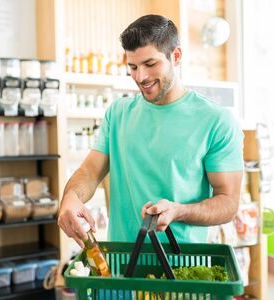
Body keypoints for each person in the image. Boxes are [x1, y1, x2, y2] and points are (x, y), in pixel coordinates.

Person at [58, 14, 244, 248]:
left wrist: (179, 211)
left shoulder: (216, 120)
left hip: (182, 266)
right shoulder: (118, 113)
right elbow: (90, 171)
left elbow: (228, 203)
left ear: (175, 56)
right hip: (123, 261)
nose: (140, 77)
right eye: (133, 67)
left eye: (150, 64)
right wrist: (71, 197)